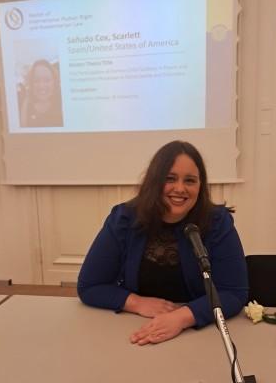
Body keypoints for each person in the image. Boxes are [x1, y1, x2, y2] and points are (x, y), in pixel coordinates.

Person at [77, 140, 248, 345]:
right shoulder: (124, 218)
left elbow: (234, 292)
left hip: (197, 333)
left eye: (190, 181)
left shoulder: (217, 222)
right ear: (154, 182)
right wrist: (136, 303)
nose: (180, 188)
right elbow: (89, 286)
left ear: (200, 186)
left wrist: (183, 317)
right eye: (170, 179)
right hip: (135, 327)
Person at [19, 59, 63, 127]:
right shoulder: (23, 104)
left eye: (47, 80)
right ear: (31, 83)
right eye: (36, 80)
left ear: (55, 82)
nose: (41, 86)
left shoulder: (63, 103)